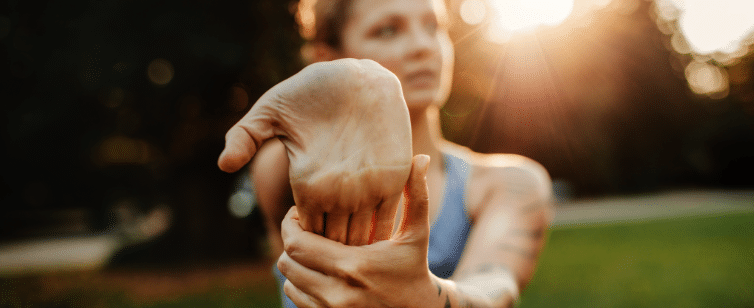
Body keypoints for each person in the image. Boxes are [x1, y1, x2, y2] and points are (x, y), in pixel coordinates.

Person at [220, 0, 554, 306]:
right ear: (328, 59)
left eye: (433, 27)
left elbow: (494, 287)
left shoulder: (509, 184)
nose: (423, 46)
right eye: (388, 30)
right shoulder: (282, 169)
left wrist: (424, 298)